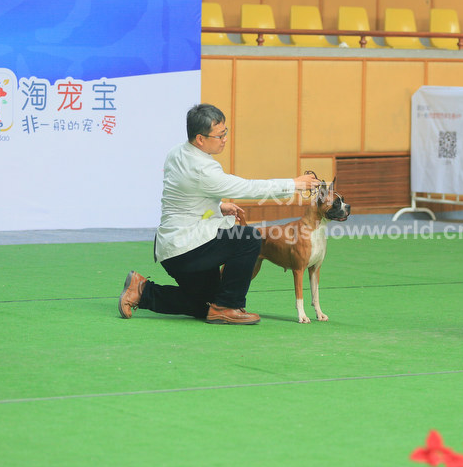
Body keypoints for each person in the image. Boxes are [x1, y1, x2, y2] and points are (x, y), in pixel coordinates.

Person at [117, 103, 321, 325]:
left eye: (225, 132)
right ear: (200, 139)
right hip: (186, 248)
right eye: (220, 135)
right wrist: (293, 184)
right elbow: (247, 188)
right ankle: (228, 307)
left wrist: (218, 207)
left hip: (172, 246)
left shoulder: (177, 152)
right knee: (249, 238)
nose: (224, 139)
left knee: (205, 305)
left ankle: (141, 291)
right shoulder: (203, 169)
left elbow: (184, 196)